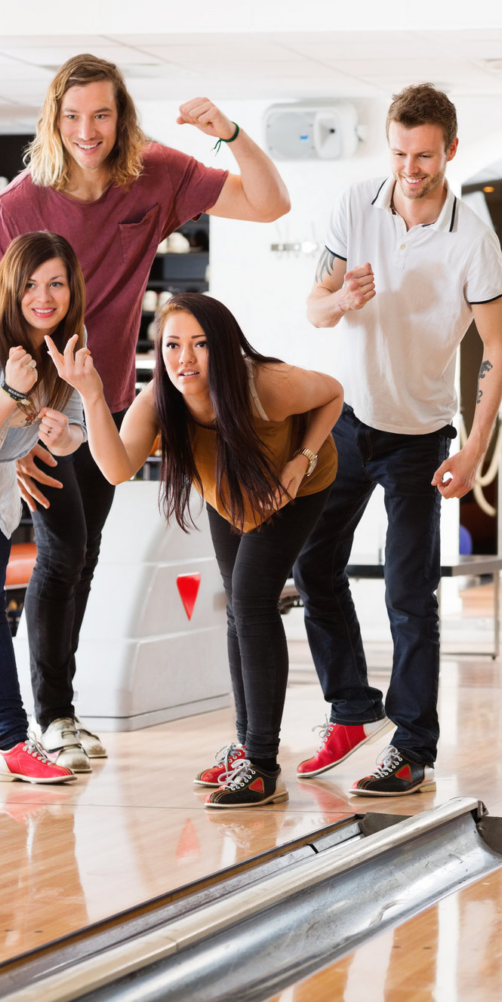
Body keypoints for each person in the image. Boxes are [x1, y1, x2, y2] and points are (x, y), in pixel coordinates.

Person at [0, 53, 290, 772]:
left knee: (84, 555)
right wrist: (17, 427)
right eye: (72, 116)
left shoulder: (153, 172)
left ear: (120, 118)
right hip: (43, 410)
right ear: (52, 122)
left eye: (101, 114)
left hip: (110, 406)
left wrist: (233, 133)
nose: (87, 131)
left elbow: (269, 202)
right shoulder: (15, 209)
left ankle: (61, 710)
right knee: (64, 550)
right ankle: (51, 715)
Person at [295, 83, 502, 797]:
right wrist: (340, 299)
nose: (408, 168)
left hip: (420, 437)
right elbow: (315, 308)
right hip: (347, 422)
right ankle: (353, 707)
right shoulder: (355, 204)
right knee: (311, 564)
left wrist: (474, 448)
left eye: (423, 155)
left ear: (449, 150)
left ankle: (413, 747)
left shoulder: (472, 237)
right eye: (398, 152)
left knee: (410, 595)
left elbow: (497, 347)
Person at [50, 292, 343, 808]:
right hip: (229, 491)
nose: (184, 358)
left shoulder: (266, 387)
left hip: (296, 483)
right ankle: (247, 745)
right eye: (172, 345)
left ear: (223, 347)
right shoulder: (159, 400)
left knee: (252, 602)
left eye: (200, 345)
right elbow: (116, 468)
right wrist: (93, 395)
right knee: (238, 606)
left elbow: (333, 393)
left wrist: (301, 459)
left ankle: (262, 764)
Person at [0, 233, 87, 785]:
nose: (43, 297)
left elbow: (75, 431)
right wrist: (8, 393)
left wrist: (62, 432)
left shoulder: (68, 341)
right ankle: (12, 738)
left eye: (55, 283)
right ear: (10, 286)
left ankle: (12, 738)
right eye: (30, 284)